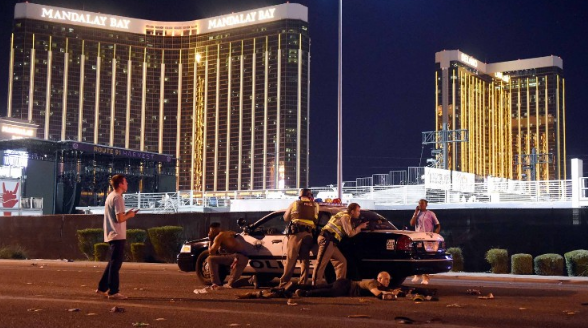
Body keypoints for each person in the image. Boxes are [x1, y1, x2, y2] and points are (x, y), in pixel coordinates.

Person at [96, 174, 138, 300]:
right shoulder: (118, 198)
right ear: (120, 184)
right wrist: (130, 215)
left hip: (111, 233)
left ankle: (102, 287)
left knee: (112, 263)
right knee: (115, 265)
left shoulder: (110, 196)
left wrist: (127, 214)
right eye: (125, 182)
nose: (127, 184)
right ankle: (113, 291)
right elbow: (120, 219)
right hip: (117, 234)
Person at [311, 203, 368, 285]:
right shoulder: (345, 216)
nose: (359, 213)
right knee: (321, 263)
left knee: (341, 261)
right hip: (327, 240)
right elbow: (350, 233)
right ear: (352, 211)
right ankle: (315, 285)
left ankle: (340, 285)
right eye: (358, 211)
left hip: (331, 242)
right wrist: (359, 227)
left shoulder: (342, 214)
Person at [279, 188, 319, 287]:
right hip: (309, 235)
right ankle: (303, 283)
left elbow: (285, 218)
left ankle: (284, 282)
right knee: (305, 259)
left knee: (291, 259)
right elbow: (316, 220)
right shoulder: (315, 205)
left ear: (300, 196)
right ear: (310, 196)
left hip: (296, 234)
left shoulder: (295, 204)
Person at [204, 222, 249, 290]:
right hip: (244, 258)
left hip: (237, 258)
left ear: (213, 230)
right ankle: (251, 280)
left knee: (210, 259)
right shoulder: (229, 233)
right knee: (231, 284)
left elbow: (211, 252)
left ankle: (215, 283)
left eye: (210, 231)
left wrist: (210, 239)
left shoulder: (219, 236)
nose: (210, 232)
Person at [295, 271, 394, 299]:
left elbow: (384, 290)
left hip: (344, 283)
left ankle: (294, 286)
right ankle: (305, 293)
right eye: (386, 279)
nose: (388, 282)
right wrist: (391, 295)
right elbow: (377, 293)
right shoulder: (372, 283)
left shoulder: (379, 285)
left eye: (388, 280)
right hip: (346, 286)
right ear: (379, 279)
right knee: (331, 292)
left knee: (320, 287)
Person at [409, 198, 441, 285]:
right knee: (417, 255)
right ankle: (417, 274)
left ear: (426, 204)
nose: (421, 205)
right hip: (418, 238)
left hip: (427, 238)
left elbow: (438, 225)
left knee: (426, 257)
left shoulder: (431, 214)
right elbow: (411, 223)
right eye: (419, 204)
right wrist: (415, 213)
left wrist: (435, 235)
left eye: (422, 204)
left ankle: (426, 277)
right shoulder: (417, 214)